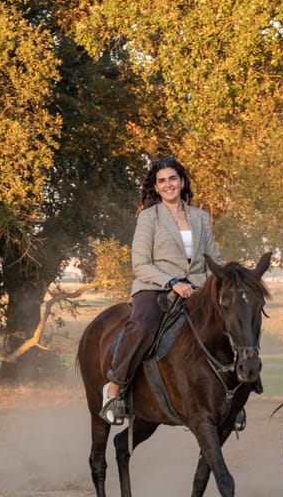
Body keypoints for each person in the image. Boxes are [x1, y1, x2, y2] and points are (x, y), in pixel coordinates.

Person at [100, 156, 222, 425]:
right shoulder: (149, 217)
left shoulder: (201, 217)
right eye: (162, 181)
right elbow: (140, 263)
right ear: (155, 187)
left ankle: (232, 394)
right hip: (155, 288)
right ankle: (115, 387)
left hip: (198, 290)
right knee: (143, 326)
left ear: (182, 181)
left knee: (230, 322)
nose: (168, 185)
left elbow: (213, 257)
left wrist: (218, 282)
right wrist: (172, 282)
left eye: (173, 179)